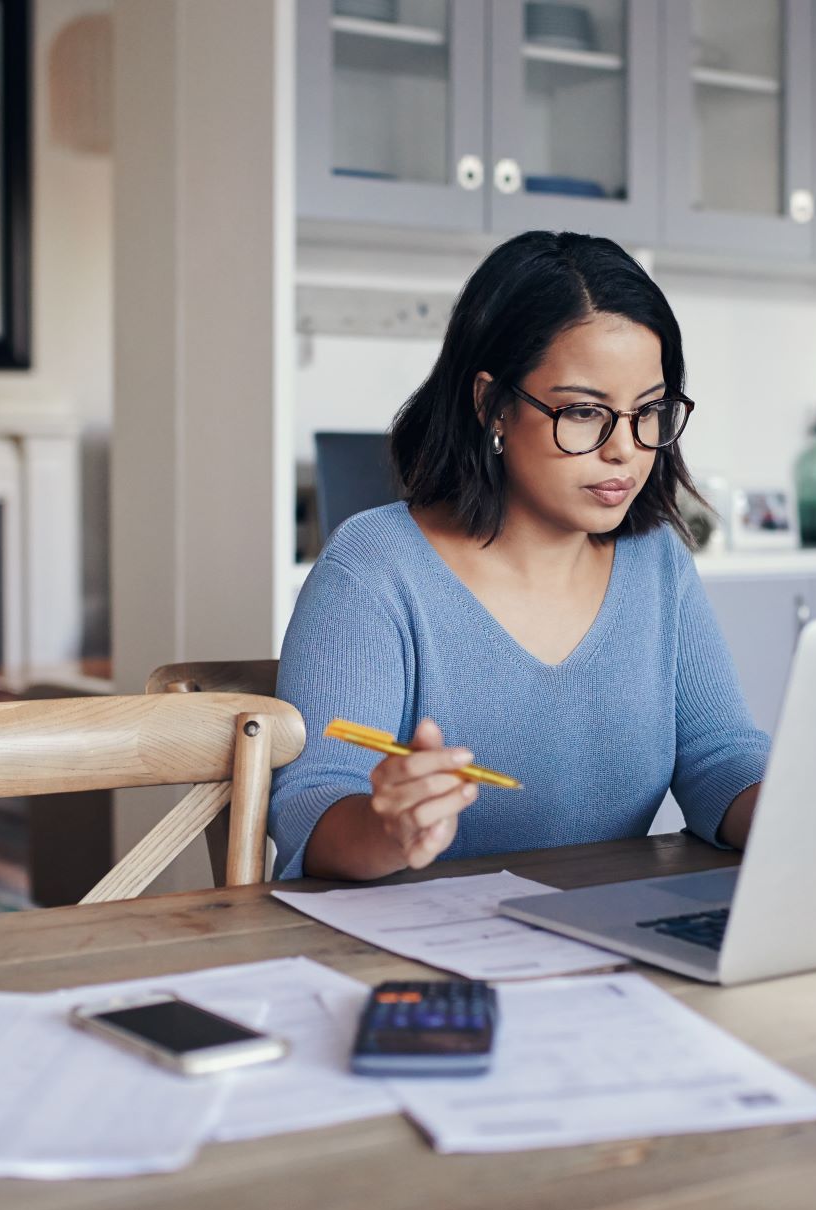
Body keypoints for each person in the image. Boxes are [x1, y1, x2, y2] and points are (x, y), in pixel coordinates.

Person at [270, 231, 770, 881]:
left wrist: (803, 813)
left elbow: (718, 757)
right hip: (418, 959)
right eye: (586, 412)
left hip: (605, 941)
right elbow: (312, 807)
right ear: (493, 404)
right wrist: (387, 827)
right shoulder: (374, 569)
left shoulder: (657, 563)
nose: (625, 449)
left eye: (649, 411)